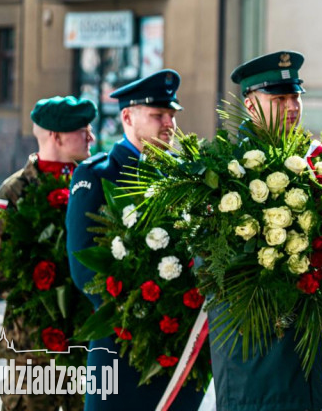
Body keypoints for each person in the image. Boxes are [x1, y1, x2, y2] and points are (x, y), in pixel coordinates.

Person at [207, 50, 322, 411]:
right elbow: (216, 263)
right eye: (279, 98)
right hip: (256, 354)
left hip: (306, 348)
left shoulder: (309, 162)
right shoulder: (227, 170)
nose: (292, 106)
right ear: (250, 106)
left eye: (295, 96)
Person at [66, 70, 202, 411]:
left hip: (179, 343)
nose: (169, 123)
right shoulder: (97, 175)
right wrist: (142, 312)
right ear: (127, 116)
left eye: (171, 115)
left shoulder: (184, 175)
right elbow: (85, 269)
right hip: (122, 343)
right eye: (158, 115)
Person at [0, 96, 96, 411]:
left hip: (86, 345)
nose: (91, 137)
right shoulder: (13, 195)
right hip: (32, 353)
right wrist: (46, 281)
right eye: (82, 130)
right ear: (56, 137)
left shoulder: (92, 187)